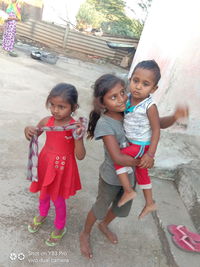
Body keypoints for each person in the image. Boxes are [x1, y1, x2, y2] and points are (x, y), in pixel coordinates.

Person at [79, 73, 189, 259]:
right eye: (113, 97)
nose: (122, 99)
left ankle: (104, 224)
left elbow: (157, 124)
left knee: (120, 208)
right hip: (111, 178)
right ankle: (85, 233)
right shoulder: (106, 124)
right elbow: (118, 157)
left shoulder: (129, 109)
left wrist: (175, 116)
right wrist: (145, 160)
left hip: (130, 177)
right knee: (100, 206)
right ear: (102, 103)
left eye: (122, 92)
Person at [24, 83, 86, 246]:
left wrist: (79, 138)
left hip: (62, 168)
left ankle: (59, 227)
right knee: (43, 194)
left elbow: (80, 156)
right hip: (45, 164)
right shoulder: (47, 120)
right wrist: (28, 130)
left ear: (74, 107)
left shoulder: (74, 127)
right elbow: (33, 135)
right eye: (52, 105)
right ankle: (42, 214)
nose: (55, 110)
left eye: (61, 107)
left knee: (58, 201)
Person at [114, 60, 161, 219]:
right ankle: (149, 203)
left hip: (141, 145)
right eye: (136, 81)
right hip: (133, 143)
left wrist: (150, 154)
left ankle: (128, 190)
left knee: (118, 158)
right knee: (142, 174)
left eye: (145, 84)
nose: (138, 86)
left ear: (154, 89)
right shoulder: (127, 98)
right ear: (130, 79)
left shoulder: (150, 106)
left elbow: (156, 130)